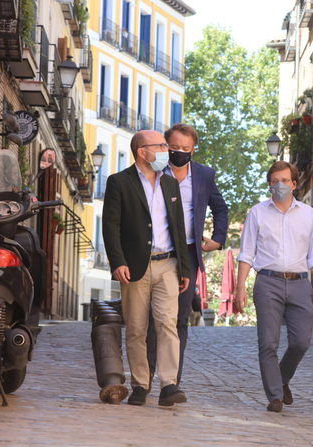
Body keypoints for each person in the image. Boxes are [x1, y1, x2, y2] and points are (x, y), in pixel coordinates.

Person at [102, 130, 191, 406]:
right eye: (161, 146)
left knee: (168, 324)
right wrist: (117, 262)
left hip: (168, 264)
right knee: (137, 328)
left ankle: (169, 384)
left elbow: (178, 227)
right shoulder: (119, 182)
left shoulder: (170, 183)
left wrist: (185, 268)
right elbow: (110, 226)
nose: (167, 150)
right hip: (135, 266)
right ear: (143, 152)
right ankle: (141, 384)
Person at [146, 123, 229, 402]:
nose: (180, 152)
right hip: (154, 251)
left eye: (186, 148)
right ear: (165, 146)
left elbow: (220, 207)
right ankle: (143, 378)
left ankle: (171, 383)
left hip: (187, 255)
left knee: (179, 318)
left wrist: (218, 238)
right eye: (175, 147)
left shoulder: (204, 175)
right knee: (152, 319)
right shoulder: (154, 170)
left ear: (193, 149)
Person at [235, 161, 313, 413]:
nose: (280, 185)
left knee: (301, 342)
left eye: (285, 181)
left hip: (300, 284)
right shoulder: (257, 213)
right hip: (267, 282)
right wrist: (239, 287)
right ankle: (274, 395)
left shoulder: (308, 214)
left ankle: (282, 378)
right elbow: (246, 254)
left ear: (295, 184)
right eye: (274, 181)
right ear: (269, 184)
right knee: (268, 343)